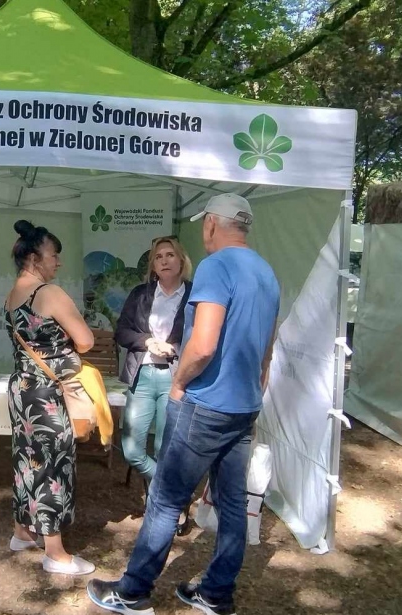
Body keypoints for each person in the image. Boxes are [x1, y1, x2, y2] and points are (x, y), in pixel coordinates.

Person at [87, 193, 280, 615]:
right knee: (232, 502)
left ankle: (133, 592)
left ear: (211, 223)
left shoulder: (215, 267)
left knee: (165, 499)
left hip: (205, 404)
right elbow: (267, 350)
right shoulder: (266, 272)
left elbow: (203, 345)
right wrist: (253, 392)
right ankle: (216, 594)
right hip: (243, 405)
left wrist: (178, 383)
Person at [4, 219, 97, 576]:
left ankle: (22, 531)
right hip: (47, 393)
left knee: (26, 461)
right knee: (52, 466)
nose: (58, 262)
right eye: (53, 255)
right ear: (34, 258)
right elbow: (86, 340)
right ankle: (55, 552)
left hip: (22, 388)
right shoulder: (50, 294)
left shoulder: (13, 294)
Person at [115, 236, 193, 487]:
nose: (164, 261)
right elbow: (121, 332)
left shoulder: (195, 295)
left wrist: (173, 348)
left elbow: (204, 336)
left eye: (170, 255)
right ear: (153, 265)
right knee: (131, 451)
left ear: (181, 260)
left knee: (164, 447)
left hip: (176, 377)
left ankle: (159, 503)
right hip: (142, 375)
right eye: (158, 257)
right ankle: (169, 490)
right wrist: (148, 342)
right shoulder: (141, 294)